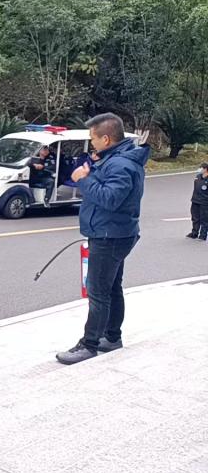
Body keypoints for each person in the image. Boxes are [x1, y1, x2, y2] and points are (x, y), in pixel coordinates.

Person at [56, 113, 149, 365]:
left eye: (93, 139)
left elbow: (110, 198)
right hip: (115, 232)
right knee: (112, 287)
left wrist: (83, 179)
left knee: (98, 292)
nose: (92, 144)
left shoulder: (120, 165)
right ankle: (112, 337)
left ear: (106, 139)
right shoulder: (117, 159)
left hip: (109, 236)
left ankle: (89, 344)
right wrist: (94, 171)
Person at [187, 163, 208, 240]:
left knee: (204, 219)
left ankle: (203, 235)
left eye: (201, 168)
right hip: (195, 200)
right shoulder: (198, 177)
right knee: (195, 218)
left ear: (205, 169)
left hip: (204, 202)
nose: (199, 169)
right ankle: (194, 233)